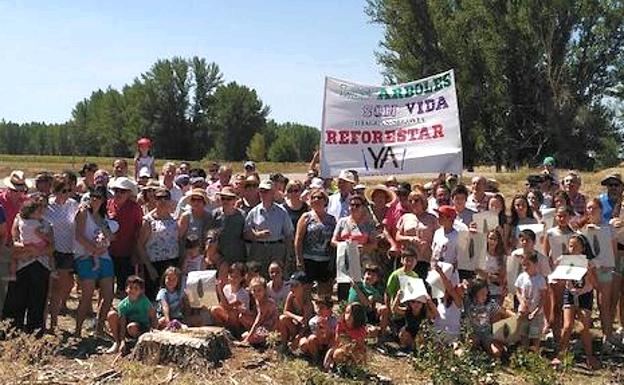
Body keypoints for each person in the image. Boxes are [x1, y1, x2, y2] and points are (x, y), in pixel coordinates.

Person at [2, 194, 53, 335]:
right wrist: (30, 249)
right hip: (21, 264)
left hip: (41, 265)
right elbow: (14, 242)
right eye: (39, 205)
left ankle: (34, 336)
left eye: (44, 206)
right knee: (15, 302)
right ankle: (10, 334)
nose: (42, 208)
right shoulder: (19, 220)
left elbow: (52, 247)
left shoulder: (47, 224)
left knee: (37, 303)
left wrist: (38, 250)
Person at [551, 234, 600, 370]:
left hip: (585, 294)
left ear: (583, 248)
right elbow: (557, 279)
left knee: (584, 326)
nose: (572, 249)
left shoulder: (589, 263)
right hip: (570, 294)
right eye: (571, 245)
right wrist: (558, 277)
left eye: (576, 246)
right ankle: (560, 355)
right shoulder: (563, 260)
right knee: (567, 326)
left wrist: (589, 273)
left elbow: (596, 285)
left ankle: (589, 356)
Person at [73, 185, 116, 337]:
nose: (94, 200)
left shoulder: (104, 218)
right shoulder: (84, 212)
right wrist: (93, 249)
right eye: (92, 196)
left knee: (108, 295)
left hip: (104, 256)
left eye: (98, 197)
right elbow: (78, 235)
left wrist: (103, 240)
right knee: (87, 295)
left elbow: (112, 237)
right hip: (85, 256)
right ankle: (78, 330)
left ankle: (99, 328)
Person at [580, 197, 619, 352]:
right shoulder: (583, 228)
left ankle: (607, 336)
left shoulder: (608, 228)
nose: (591, 211)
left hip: (604, 270)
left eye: (594, 208)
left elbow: (613, 250)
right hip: (589, 271)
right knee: (586, 305)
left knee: (604, 304)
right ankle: (585, 336)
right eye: (588, 208)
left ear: (601, 210)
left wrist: (610, 266)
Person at [331, 194, 378, 299]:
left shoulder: (369, 223)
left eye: (357, 205)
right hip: (344, 260)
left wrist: (363, 247)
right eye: (351, 205)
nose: (354, 207)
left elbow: (374, 244)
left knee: (360, 291)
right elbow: (333, 241)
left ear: (363, 207)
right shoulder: (342, 221)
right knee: (344, 288)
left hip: (362, 262)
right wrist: (344, 246)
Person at [137, 188, 179, 301]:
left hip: (172, 262)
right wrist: (149, 267)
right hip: (154, 264)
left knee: (172, 296)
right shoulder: (148, 220)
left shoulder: (175, 219)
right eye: (159, 198)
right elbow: (140, 245)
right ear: (154, 201)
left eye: (166, 198)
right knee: (154, 297)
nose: (163, 201)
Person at [244, 180, 294, 276]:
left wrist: (288, 255)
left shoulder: (281, 211)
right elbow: (246, 233)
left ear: (273, 193)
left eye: (266, 191)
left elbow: (289, 234)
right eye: (261, 191)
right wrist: (257, 235)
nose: (263, 194)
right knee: (258, 277)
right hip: (258, 249)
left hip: (277, 249)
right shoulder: (254, 212)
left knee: (276, 277)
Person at [294, 189, 336, 295]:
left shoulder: (332, 219)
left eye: (319, 197)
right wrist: (299, 260)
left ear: (325, 200)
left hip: (325, 260)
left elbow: (333, 241)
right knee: (305, 290)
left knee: (324, 291)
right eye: (313, 197)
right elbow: (298, 240)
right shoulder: (306, 217)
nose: (316, 200)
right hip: (308, 259)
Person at [107, 177, 142, 297]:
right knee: (108, 285)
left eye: (122, 191)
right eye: (116, 191)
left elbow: (139, 230)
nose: (118, 194)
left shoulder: (135, 208)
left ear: (128, 193)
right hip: (108, 251)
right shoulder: (108, 205)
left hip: (128, 252)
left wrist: (136, 252)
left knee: (126, 286)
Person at [106, 275, 157, 354]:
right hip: (128, 328)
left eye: (136, 288)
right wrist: (123, 340)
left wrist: (154, 331)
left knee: (132, 327)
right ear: (126, 289)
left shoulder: (144, 301)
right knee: (111, 315)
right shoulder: (122, 305)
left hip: (143, 328)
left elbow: (153, 316)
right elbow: (122, 323)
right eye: (130, 288)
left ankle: (139, 343)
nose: (132, 290)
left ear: (141, 290)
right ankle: (117, 342)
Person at [467, 279, 513, 358]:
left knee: (497, 352)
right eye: (482, 294)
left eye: (486, 293)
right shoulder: (468, 303)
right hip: (474, 333)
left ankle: (493, 348)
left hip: (487, 334)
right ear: (475, 294)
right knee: (470, 345)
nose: (484, 296)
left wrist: (516, 316)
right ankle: (479, 351)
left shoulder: (490, 303)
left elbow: (503, 311)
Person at [515, 253, 547, 352]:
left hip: (536, 312)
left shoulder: (540, 279)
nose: (525, 267)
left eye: (528, 264)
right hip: (524, 311)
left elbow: (543, 297)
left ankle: (535, 353)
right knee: (524, 332)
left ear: (535, 264)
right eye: (523, 265)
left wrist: (536, 311)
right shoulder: (521, 276)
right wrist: (522, 302)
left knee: (535, 334)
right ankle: (524, 352)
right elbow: (518, 290)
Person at [348, 264, 390, 336]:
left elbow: (366, 303)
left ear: (376, 279)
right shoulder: (357, 282)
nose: (370, 277)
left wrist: (356, 288)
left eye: (373, 276)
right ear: (364, 275)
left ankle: (381, 333)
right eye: (368, 274)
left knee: (384, 309)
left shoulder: (374, 291)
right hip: (352, 313)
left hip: (364, 315)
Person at [212, 187, 246, 275]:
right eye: (223, 198)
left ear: (234, 200)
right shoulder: (215, 215)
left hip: (238, 257)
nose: (225, 201)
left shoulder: (242, 215)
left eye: (229, 198)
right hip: (220, 259)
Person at [323, 302, 367, 370]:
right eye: (347, 312)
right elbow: (337, 340)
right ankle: (340, 368)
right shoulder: (340, 324)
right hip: (342, 348)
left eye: (352, 314)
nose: (348, 316)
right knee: (337, 354)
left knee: (359, 356)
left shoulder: (361, 329)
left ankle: (353, 369)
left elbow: (360, 344)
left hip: (355, 350)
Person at [210, 262, 250, 332]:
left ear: (242, 278)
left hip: (239, 322)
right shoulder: (226, 288)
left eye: (236, 277)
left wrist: (220, 290)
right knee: (214, 309)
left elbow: (228, 307)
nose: (233, 279)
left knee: (233, 313)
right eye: (231, 276)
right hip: (227, 317)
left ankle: (235, 333)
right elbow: (221, 305)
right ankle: (221, 330)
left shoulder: (243, 294)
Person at [278, 271, 314, 347]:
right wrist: (296, 317)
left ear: (303, 286)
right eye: (291, 285)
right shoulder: (291, 296)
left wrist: (298, 337)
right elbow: (285, 311)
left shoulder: (307, 302)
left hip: (305, 330)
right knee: (282, 318)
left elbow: (306, 324)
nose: (292, 288)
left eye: (295, 285)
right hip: (295, 326)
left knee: (303, 345)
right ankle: (284, 345)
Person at [241, 276, 279, 346]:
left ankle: (261, 339)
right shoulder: (257, 299)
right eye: (254, 291)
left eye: (259, 290)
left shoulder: (266, 302)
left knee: (247, 337)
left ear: (265, 290)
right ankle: (254, 335)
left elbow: (257, 321)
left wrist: (247, 339)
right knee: (242, 317)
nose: (256, 293)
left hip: (270, 327)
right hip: (263, 325)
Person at [299, 295, 337, 362]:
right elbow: (317, 337)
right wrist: (319, 327)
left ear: (329, 309)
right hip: (318, 344)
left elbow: (335, 335)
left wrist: (327, 328)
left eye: (322, 308)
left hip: (328, 343)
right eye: (318, 308)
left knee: (334, 338)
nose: (319, 310)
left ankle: (330, 358)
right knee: (311, 339)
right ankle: (316, 358)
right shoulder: (313, 321)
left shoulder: (334, 320)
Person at [178, 188, 215, 257]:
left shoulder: (209, 217)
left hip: (203, 254)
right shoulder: (186, 216)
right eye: (193, 200)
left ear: (204, 202)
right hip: (187, 255)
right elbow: (179, 237)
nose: (196, 202)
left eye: (199, 200)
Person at [476, 229, 507, 304]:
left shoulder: (502, 257)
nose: (492, 241)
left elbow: (502, 278)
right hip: (481, 290)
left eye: (495, 239)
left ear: (498, 241)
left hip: (495, 291)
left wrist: (488, 276)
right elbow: (476, 269)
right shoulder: (481, 254)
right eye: (490, 238)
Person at [0, 170, 28, 243]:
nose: (18, 193)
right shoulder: (0, 200)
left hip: (19, 245)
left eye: (21, 190)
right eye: (15, 190)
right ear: (8, 188)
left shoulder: (27, 202)